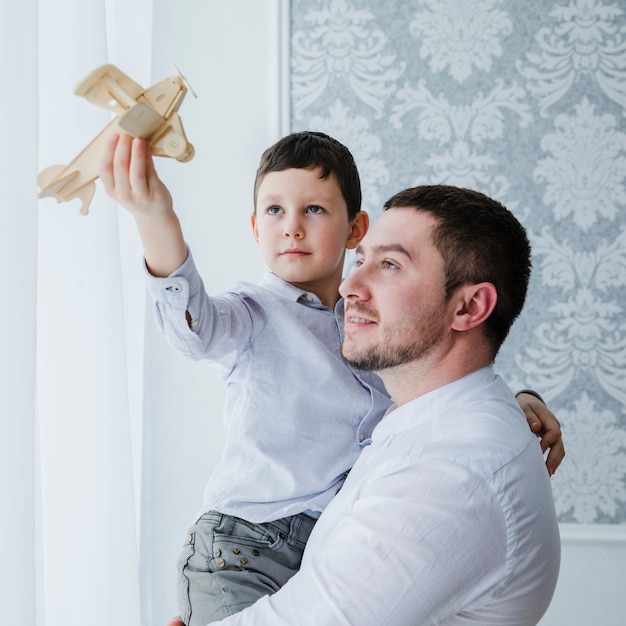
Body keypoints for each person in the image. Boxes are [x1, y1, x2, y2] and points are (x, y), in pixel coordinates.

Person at [99, 134, 563, 625]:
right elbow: (194, 328)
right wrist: (155, 218)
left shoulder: (455, 468)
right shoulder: (255, 315)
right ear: (256, 229)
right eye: (274, 212)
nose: (351, 286)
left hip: (303, 547)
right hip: (241, 546)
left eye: (388, 264)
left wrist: (517, 401)